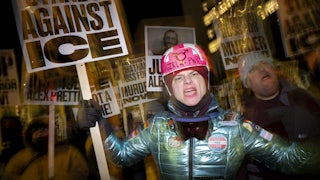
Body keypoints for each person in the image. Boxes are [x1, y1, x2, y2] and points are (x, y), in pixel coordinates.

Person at [77, 43, 320, 179]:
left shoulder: (235, 125)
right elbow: (122, 155)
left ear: (206, 78)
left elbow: (290, 157)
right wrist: (100, 124)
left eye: (194, 73)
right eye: (179, 77)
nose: (189, 82)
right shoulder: (157, 127)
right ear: (170, 87)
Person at [237, 52, 320, 179]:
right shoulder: (250, 122)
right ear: (247, 83)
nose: (261, 69)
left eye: (264, 63)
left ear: (274, 69)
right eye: (253, 68)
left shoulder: (304, 97)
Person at [2, 115, 89, 180]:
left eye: (43, 130)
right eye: (35, 131)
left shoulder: (69, 153)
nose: (40, 134)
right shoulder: (20, 158)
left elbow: (82, 172)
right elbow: (8, 176)